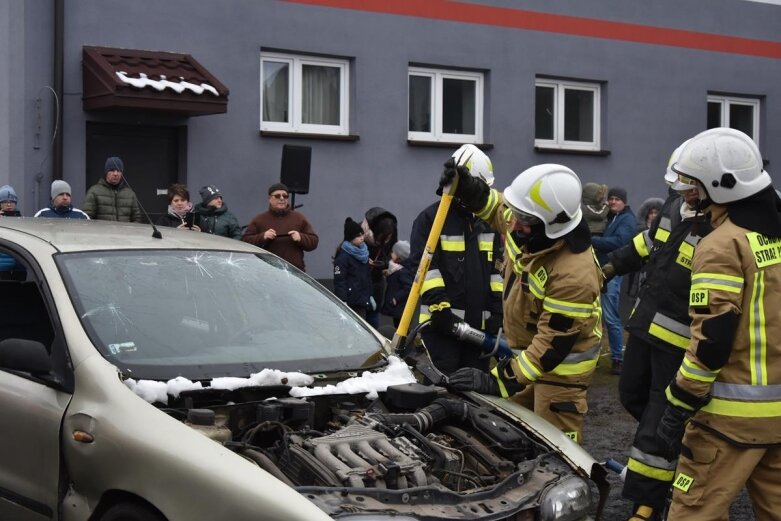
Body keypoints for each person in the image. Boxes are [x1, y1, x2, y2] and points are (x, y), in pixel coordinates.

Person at [654, 128, 781, 520]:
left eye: (693, 187)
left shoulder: (721, 245)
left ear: (720, 186)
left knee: (690, 513)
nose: (687, 196)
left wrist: (679, 401)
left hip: (727, 420)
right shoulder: (772, 234)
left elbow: (712, 339)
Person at [444, 160, 602, 444]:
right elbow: (496, 207)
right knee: (511, 436)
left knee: (553, 451)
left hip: (560, 375)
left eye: (523, 221)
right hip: (525, 358)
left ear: (550, 226)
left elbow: (551, 347)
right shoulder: (531, 220)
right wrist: (469, 189)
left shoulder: (574, 274)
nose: (513, 224)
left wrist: (497, 381)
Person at [602, 143, 711, 521]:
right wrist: (610, 267)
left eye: (690, 185)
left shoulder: (719, 223)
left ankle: (647, 503)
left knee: (657, 420)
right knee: (632, 395)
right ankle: (674, 449)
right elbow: (648, 244)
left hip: (680, 341)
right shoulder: (672, 206)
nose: (683, 191)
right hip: (646, 326)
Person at [410, 144, 504, 377]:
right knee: (443, 396)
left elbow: (496, 272)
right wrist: (440, 309)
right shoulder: (431, 219)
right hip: (441, 330)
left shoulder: (485, 223)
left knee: (476, 396)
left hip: (478, 333)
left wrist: (497, 311)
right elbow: (425, 269)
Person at [592, 187, 637, 374]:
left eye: (617, 199)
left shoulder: (627, 220)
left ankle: (618, 358)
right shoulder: (612, 218)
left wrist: (592, 240)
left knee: (610, 317)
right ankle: (593, 355)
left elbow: (619, 242)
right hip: (599, 269)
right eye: (610, 199)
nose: (612, 202)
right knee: (594, 316)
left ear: (624, 201)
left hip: (612, 272)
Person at [242, 182, 319, 271]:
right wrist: (262, 237)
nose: (282, 198)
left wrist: (301, 237)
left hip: (295, 273)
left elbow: (314, 241)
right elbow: (245, 242)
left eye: (285, 196)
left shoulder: (299, 218)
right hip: (268, 272)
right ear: (269, 199)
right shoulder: (259, 219)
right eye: (277, 196)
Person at [361, 207, 398, 328]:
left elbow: (392, 254)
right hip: (360, 282)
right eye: (383, 237)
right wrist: (364, 260)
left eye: (389, 237)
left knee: (374, 314)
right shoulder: (359, 231)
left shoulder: (391, 230)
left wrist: (384, 264)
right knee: (359, 316)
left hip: (377, 280)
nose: (387, 240)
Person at [333, 218, 372, 318]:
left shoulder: (364, 254)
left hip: (362, 300)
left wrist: (369, 295)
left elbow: (367, 277)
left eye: (362, 234)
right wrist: (342, 300)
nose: (362, 237)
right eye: (358, 236)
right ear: (350, 238)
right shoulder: (343, 258)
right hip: (350, 302)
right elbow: (340, 281)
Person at [83, 156, 142, 222]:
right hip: (103, 232)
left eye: (118, 171)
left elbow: (137, 219)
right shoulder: (94, 192)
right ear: (106, 172)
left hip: (124, 232)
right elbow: (87, 218)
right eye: (112, 170)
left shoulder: (130, 194)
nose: (115, 174)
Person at [381, 240, 414, 328]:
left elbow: (408, 287)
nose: (391, 253)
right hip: (397, 307)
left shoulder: (402, 271)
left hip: (400, 307)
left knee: (400, 328)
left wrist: (396, 298)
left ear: (399, 256)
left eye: (393, 252)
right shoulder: (397, 269)